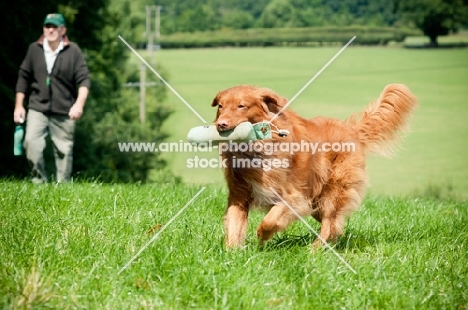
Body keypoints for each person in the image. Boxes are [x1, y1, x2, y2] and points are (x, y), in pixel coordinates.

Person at [14, 13, 90, 183]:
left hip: (64, 109)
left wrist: (79, 104)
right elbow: (23, 77)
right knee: (31, 144)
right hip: (37, 108)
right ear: (43, 29)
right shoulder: (35, 49)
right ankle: (39, 184)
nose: (50, 30)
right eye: (47, 26)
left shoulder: (73, 51)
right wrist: (19, 106)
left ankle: (62, 190)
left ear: (63, 30)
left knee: (64, 152)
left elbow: (84, 80)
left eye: (55, 26)